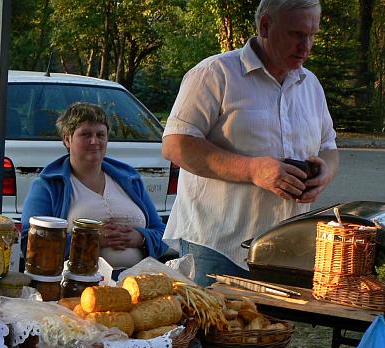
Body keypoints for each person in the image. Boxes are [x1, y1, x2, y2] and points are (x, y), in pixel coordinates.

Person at [162, 0, 339, 287]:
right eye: (296, 34)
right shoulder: (215, 73)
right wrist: (253, 170)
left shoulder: (311, 85)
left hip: (285, 254)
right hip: (217, 249)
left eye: (312, 35)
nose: (306, 46)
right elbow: (176, 145)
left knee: (275, 321)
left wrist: (325, 173)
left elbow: (329, 146)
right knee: (209, 320)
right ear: (265, 26)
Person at [21, 102, 168, 273]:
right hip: (78, 283)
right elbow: (29, 244)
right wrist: (90, 240)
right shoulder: (49, 185)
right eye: (85, 134)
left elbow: (164, 234)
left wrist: (141, 238)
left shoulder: (130, 179)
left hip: (139, 281)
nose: (94, 141)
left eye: (100, 135)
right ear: (67, 139)